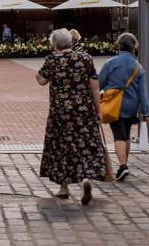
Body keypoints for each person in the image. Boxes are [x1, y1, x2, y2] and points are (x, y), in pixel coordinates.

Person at [36, 28, 106, 205]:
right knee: (85, 143)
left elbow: (41, 80)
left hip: (60, 113)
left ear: (55, 44)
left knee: (61, 148)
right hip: (84, 111)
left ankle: (64, 187)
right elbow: (95, 87)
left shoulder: (52, 60)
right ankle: (85, 179)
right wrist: (98, 110)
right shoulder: (85, 58)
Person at [98, 33, 149, 182]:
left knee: (119, 135)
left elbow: (99, 83)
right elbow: (143, 93)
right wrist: (145, 112)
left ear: (119, 46)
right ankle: (124, 164)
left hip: (115, 105)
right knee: (126, 134)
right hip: (131, 106)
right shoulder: (138, 67)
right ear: (135, 47)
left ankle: (122, 166)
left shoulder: (110, 63)